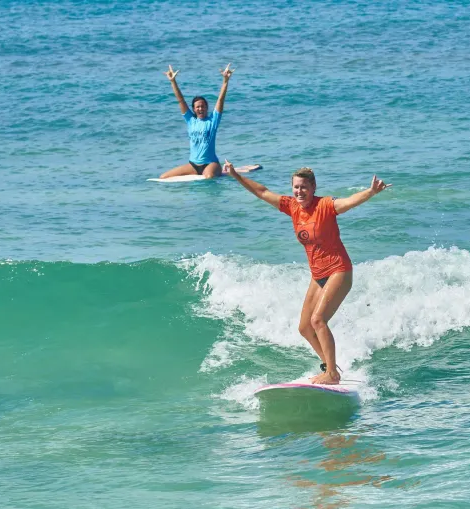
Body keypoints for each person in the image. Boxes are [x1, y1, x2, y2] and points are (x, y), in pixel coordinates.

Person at [223, 161, 391, 384]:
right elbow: (262, 192)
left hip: (338, 269)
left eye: (303, 187)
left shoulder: (325, 206)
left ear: (313, 188)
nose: (299, 191)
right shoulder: (292, 206)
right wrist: (235, 175)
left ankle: (331, 374)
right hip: (317, 274)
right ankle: (331, 368)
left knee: (318, 320)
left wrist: (370, 192)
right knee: (304, 328)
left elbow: (348, 203)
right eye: (296, 187)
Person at [160, 64, 234, 179]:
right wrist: (172, 81)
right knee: (163, 177)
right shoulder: (190, 120)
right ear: (194, 109)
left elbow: (220, 99)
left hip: (211, 164)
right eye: (198, 107)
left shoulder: (213, 120)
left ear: (207, 108)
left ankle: (219, 171)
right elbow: (180, 100)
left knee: (208, 177)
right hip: (193, 164)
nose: (200, 108)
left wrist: (225, 81)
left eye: (203, 106)